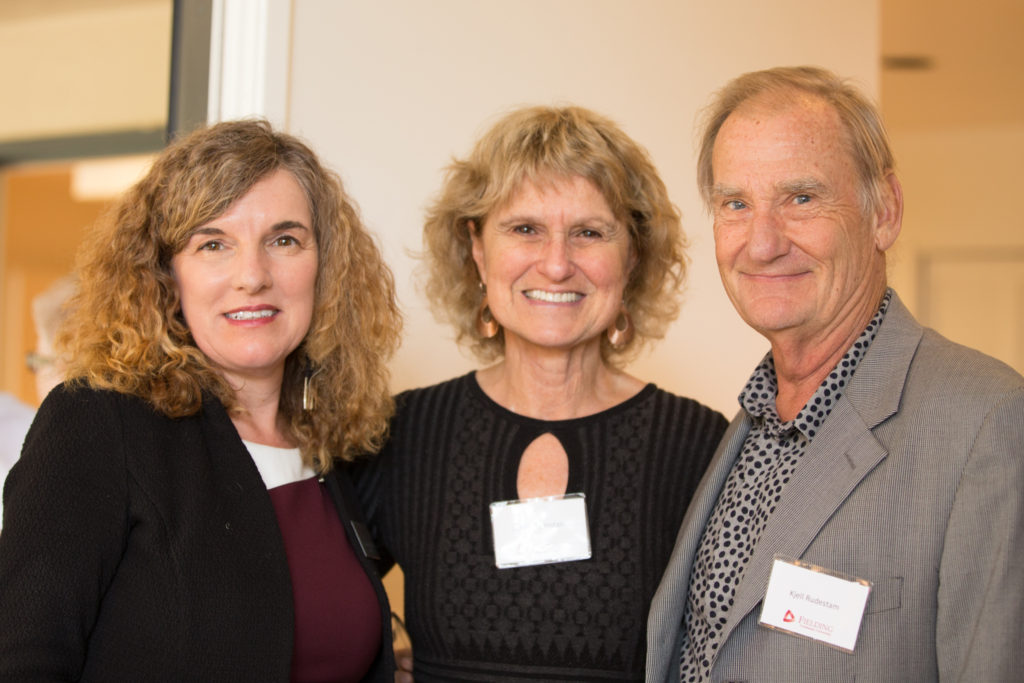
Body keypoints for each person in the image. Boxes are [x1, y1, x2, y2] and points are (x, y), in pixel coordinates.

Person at [646, 66, 1024, 682]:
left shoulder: (988, 426)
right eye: (735, 203)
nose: (762, 243)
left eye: (801, 198)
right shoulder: (747, 425)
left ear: (885, 212)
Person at [0, 119, 402, 681]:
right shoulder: (96, 422)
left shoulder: (332, 436)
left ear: (325, 266)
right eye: (213, 244)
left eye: (284, 240)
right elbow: (21, 658)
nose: (252, 276)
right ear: (166, 276)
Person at [355, 105, 727, 682]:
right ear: (477, 249)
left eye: (589, 233)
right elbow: (311, 610)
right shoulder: (403, 434)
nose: (556, 264)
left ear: (631, 257)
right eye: (525, 229)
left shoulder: (699, 448)